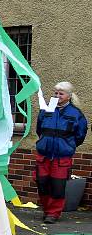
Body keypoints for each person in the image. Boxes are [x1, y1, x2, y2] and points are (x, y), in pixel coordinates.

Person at [35, 82, 88, 223]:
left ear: (69, 96)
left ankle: (53, 214)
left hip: (61, 157)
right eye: (56, 93)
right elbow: (39, 130)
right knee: (42, 184)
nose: (57, 96)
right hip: (43, 155)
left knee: (58, 187)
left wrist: (67, 146)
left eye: (61, 93)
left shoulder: (76, 114)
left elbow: (80, 135)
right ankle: (46, 210)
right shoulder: (46, 110)